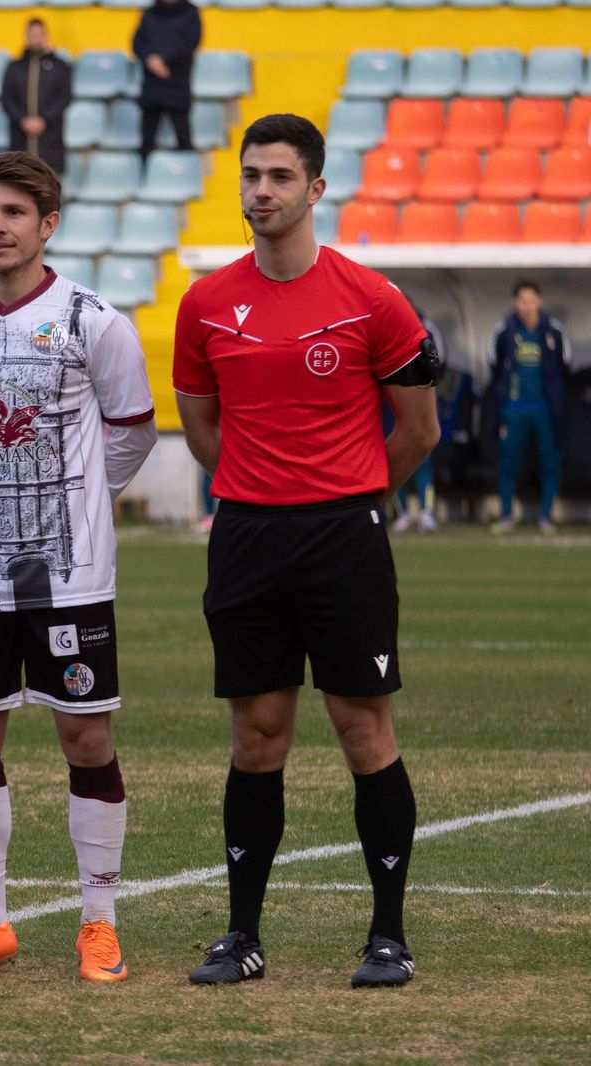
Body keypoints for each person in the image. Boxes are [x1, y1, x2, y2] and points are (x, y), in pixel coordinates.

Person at [172, 114, 440, 988]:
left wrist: (349, 492)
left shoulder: (373, 297)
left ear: (316, 189)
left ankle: (388, 937)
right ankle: (242, 936)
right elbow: (203, 430)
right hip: (248, 535)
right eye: (251, 176)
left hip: (343, 535)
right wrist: (262, 490)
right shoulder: (206, 303)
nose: (261, 192)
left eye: (280, 177)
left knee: (363, 729)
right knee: (257, 736)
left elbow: (419, 428)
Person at [0, 152, 157, 983]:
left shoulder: (94, 320)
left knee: (85, 735)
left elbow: (132, 433)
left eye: (14, 213)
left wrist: (77, 505)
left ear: (48, 224)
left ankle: (99, 923)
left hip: (70, 575)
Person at [488, 280, 571, 534]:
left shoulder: (553, 331)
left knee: (549, 462)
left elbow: (564, 365)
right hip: (514, 408)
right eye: (522, 300)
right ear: (516, 302)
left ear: (539, 301)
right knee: (508, 462)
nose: (527, 306)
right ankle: (505, 515)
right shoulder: (504, 330)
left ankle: (545, 516)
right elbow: (494, 362)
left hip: (545, 408)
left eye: (531, 300)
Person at [389, 305, 446, 534]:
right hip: (392, 405)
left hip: (420, 401)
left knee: (422, 459)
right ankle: (402, 513)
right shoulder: (384, 326)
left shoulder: (426, 330)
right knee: (394, 459)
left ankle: (426, 513)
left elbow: (439, 365)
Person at [0, 18, 73, 177]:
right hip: (20, 138)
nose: (35, 38)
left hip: (50, 138)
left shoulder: (59, 66)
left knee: (50, 187)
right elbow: (6, 99)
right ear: (26, 37)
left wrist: (44, 119)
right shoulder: (14, 67)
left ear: (45, 36)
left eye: (39, 34)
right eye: (31, 34)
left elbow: (65, 97)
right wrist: (22, 119)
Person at [132, 0, 201, 161]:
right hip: (152, 84)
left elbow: (191, 42)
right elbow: (137, 43)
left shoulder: (190, 13)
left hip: (177, 80)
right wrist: (150, 60)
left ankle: (185, 176)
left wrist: (163, 60)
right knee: (146, 140)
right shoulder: (149, 12)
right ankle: (145, 179)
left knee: (183, 137)